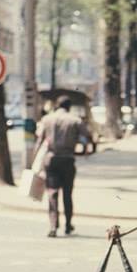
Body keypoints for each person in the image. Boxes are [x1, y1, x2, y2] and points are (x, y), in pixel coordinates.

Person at [36, 95, 91, 238]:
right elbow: (87, 136)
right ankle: (68, 224)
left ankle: (53, 225)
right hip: (68, 159)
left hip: (51, 160)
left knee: (52, 193)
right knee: (67, 194)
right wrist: (85, 150)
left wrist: (34, 160)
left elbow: (39, 140)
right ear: (69, 107)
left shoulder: (47, 119)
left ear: (57, 105)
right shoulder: (75, 120)